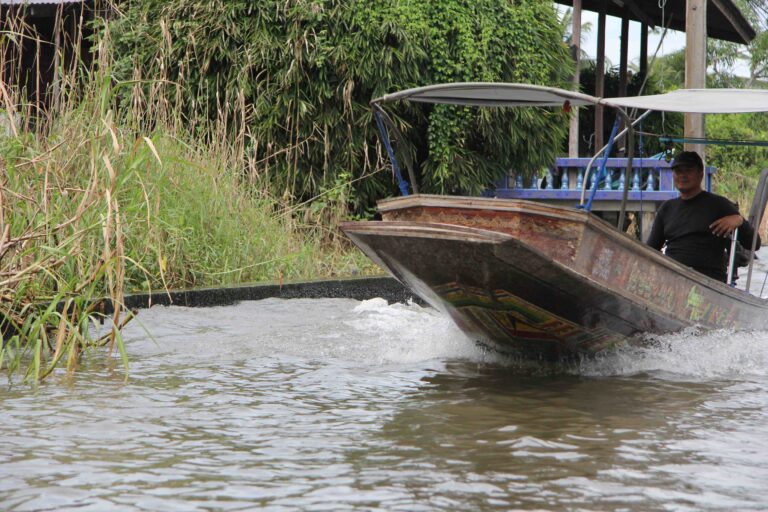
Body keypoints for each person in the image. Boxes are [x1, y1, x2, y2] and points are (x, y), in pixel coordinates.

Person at [646, 151, 761, 283]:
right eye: (678, 171)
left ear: (700, 173)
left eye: (688, 170)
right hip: (673, 278)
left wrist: (740, 221)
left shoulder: (718, 204)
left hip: (709, 282)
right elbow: (650, 250)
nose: (683, 175)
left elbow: (755, 244)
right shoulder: (667, 208)